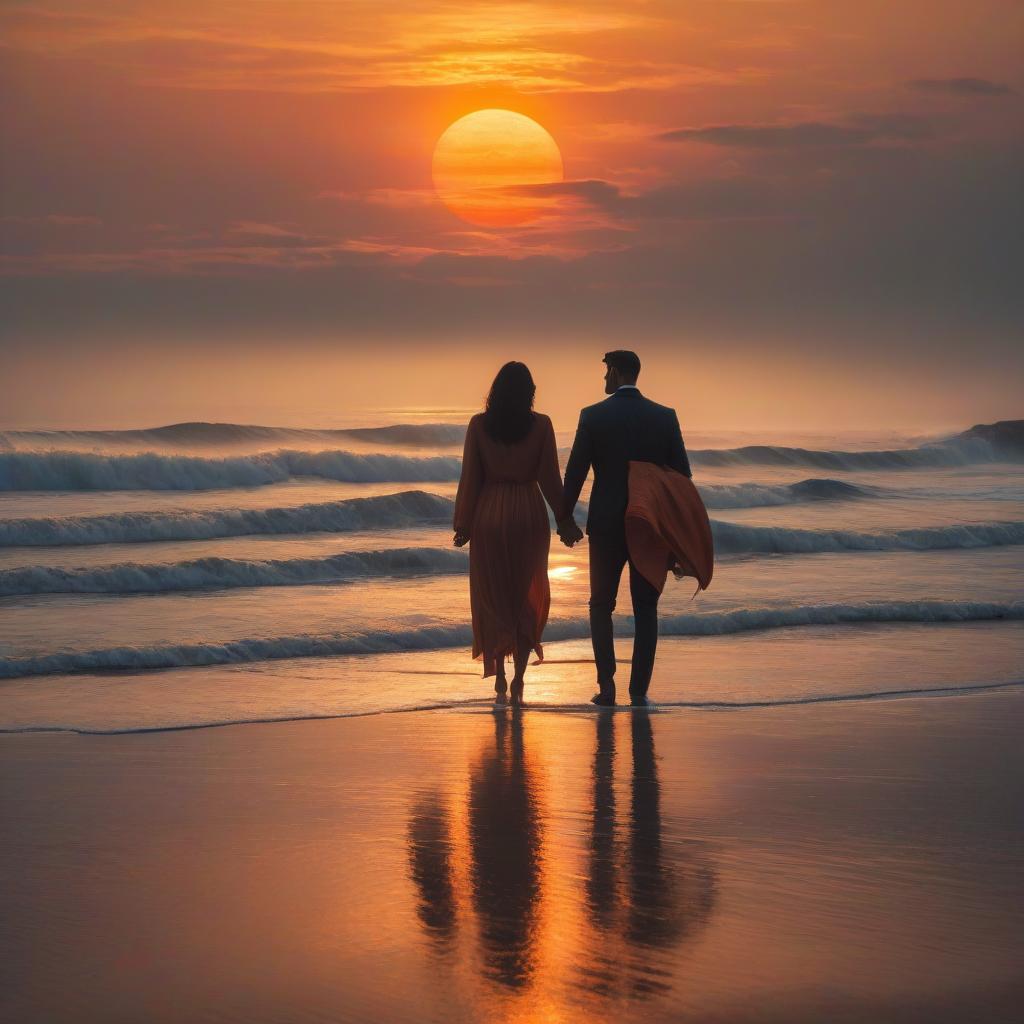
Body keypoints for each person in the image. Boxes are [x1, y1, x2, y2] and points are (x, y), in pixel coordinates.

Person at [559, 351, 692, 706]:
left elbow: (575, 474)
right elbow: (682, 480)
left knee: (601, 604)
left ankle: (607, 688)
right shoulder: (665, 418)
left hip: (605, 526)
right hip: (649, 528)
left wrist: (564, 519)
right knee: (646, 608)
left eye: (605, 374)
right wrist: (679, 537)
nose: (603, 381)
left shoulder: (593, 416)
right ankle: (639, 691)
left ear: (615, 373)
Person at [453, 361, 572, 706]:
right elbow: (550, 478)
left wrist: (463, 524)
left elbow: (471, 478)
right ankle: (520, 676)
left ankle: (501, 677)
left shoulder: (478, 426)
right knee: (524, 597)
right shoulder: (542, 426)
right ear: (529, 394)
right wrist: (564, 519)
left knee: (492, 597)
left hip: (489, 514)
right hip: (528, 515)